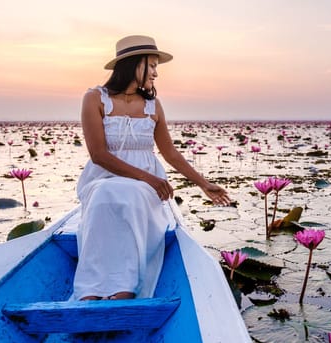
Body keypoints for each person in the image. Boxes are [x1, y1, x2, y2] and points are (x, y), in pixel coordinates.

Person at [73, 35, 231, 301]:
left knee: (131, 196)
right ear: (133, 64)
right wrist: (150, 179)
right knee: (104, 195)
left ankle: (125, 287)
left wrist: (203, 183)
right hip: (104, 177)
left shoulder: (153, 105)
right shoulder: (94, 98)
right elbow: (98, 155)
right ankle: (93, 287)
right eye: (152, 65)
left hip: (144, 188)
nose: (156, 73)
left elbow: (169, 152)